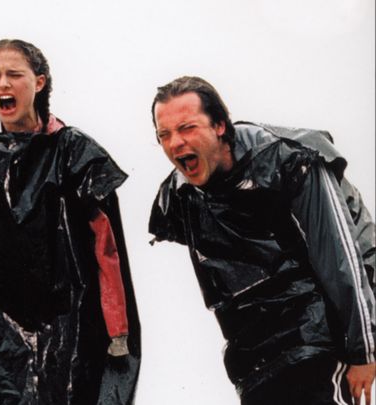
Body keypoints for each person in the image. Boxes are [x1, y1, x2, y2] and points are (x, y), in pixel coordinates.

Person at [148, 75, 376, 405]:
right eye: (164, 135)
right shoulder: (179, 195)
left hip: (324, 336)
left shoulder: (289, 162)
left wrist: (363, 351)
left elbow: (342, 255)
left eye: (187, 128)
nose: (175, 143)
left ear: (220, 126)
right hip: (255, 358)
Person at [0, 39, 140, 405]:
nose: (3, 84)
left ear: (40, 81)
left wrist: (117, 331)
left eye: (14, 74)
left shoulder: (76, 152)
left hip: (73, 330)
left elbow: (107, 251)